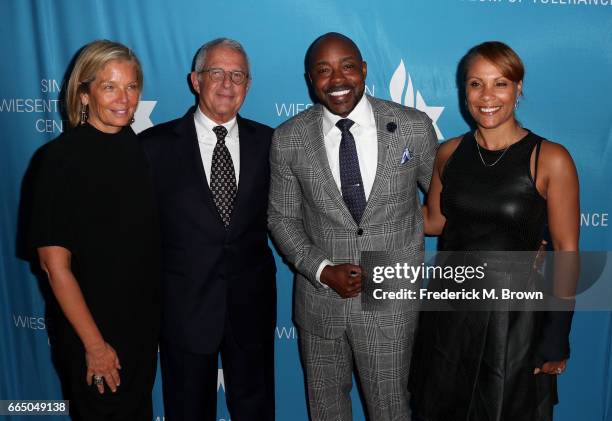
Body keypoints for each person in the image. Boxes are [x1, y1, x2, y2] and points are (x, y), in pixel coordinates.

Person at [268, 32, 438, 420]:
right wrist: (323, 270)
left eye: (347, 66)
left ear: (363, 69)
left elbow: (450, 202)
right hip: (320, 303)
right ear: (311, 79)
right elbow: (281, 217)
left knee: (392, 410)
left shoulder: (412, 127)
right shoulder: (289, 139)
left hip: (391, 302)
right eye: (323, 70)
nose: (337, 79)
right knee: (326, 411)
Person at [410, 41, 579, 421]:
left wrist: (556, 336)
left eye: (500, 83)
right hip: (448, 313)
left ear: (519, 88)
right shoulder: (449, 153)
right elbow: (433, 220)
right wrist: (362, 214)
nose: (487, 96)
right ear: (463, 91)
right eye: (475, 84)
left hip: (514, 318)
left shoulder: (550, 158)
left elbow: (567, 251)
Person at [139, 38, 276, 421]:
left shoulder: (271, 143)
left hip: (251, 309)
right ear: (195, 80)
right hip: (184, 311)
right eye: (217, 73)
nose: (227, 84)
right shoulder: (152, 147)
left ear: (248, 86)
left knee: (256, 411)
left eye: (237, 75)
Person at [29, 40, 160, 420]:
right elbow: (55, 267)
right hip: (93, 333)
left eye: (131, 86)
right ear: (84, 95)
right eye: (109, 86)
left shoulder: (137, 150)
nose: (124, 98)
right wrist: (95, 345)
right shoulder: (58, 161)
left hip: (139, 330)